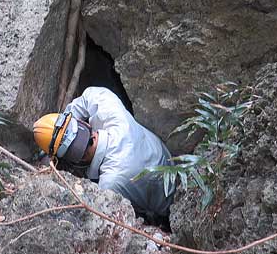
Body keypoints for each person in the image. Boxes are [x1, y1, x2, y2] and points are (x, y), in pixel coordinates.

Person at [33, 86, 175, 224]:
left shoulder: (109, 183)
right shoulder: (112, 113)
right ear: (85, 124)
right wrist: (66, 126)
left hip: (169, 205)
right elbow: (91, 96)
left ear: (79, 160)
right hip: (171, 162)